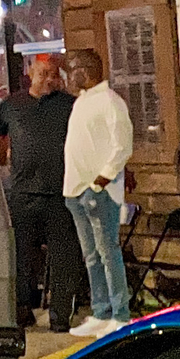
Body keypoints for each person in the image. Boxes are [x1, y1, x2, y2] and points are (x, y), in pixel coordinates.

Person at [0, 54, 82, 327]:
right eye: (43, 73)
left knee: (63, 255)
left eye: (53, 74)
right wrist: (3, 159)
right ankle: (22, 309)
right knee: (21, 254)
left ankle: (60, 315)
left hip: (60, 192)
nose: (49, 79)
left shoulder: (69, 104)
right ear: (30, 73)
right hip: (23, 192)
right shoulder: (11, 104)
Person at [62, 48, 135, 336]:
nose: (68, 76)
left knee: (108, 253)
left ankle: (120, 314)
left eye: (72, 69)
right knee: (91, 256)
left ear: (86, 71)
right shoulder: (81, 102)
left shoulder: (110, 101)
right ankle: (101, 310)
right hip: (76, 190)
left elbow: (122, 145)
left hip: (97, 191)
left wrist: (101, 181)